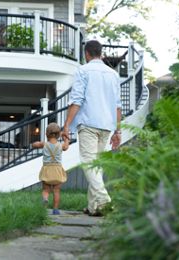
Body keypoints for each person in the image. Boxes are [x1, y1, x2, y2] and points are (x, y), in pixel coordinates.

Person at [62, 40, 122, 217]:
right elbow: (118, 106)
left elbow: (77, 99)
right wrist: (118, 131)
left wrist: (66, 125)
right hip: (106, 126)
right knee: (96, 166)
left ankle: (104, 201)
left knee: (89, 163)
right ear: (100, 53)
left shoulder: (83, 70)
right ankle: (93, 207)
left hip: (88, 124)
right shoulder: (113, 74)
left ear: (86, 54)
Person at [32, 122, 69, 215]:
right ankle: (55, 209)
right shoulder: (61, 145)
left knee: (45, 189)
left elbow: (34, 145)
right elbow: (66, 146)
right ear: (59, 134)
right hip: (57, 170)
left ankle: (45, 199)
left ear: (46, 134)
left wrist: (36, 143)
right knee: (56, 191)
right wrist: (66, 139)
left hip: (47, 169)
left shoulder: (44, 144)